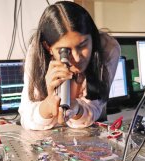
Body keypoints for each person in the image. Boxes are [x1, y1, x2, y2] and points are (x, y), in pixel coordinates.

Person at [19, 1, 121, 130]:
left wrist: (76, 108)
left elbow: (95, 107)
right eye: (65, 51)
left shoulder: (107, 48)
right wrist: (49, 104)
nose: (77, 58)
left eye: (83, 45)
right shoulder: (37, 52)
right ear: (48, 47)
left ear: (92, 38)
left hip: (88, 130)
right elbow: (27, 117)